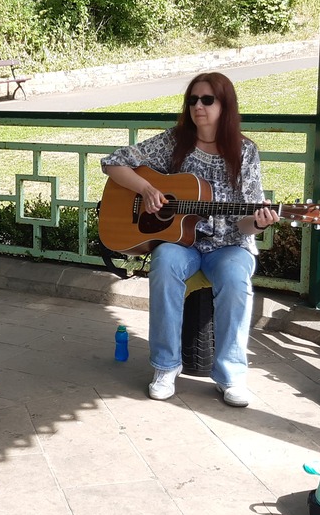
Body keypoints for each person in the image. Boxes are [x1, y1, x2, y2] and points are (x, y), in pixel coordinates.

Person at [101, 71, 279, 408]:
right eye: (193, 100)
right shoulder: (175, 142)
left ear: (225, 105)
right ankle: (165, 367)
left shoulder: (244, 152)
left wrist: (258, 222)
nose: (198, 106)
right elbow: (113, 163)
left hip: (228, 246)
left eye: (207, 100)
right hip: (182, 244)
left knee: (235, 278)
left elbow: (245, 225)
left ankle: (231, 375)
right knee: (165, 262)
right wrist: (147, 189)